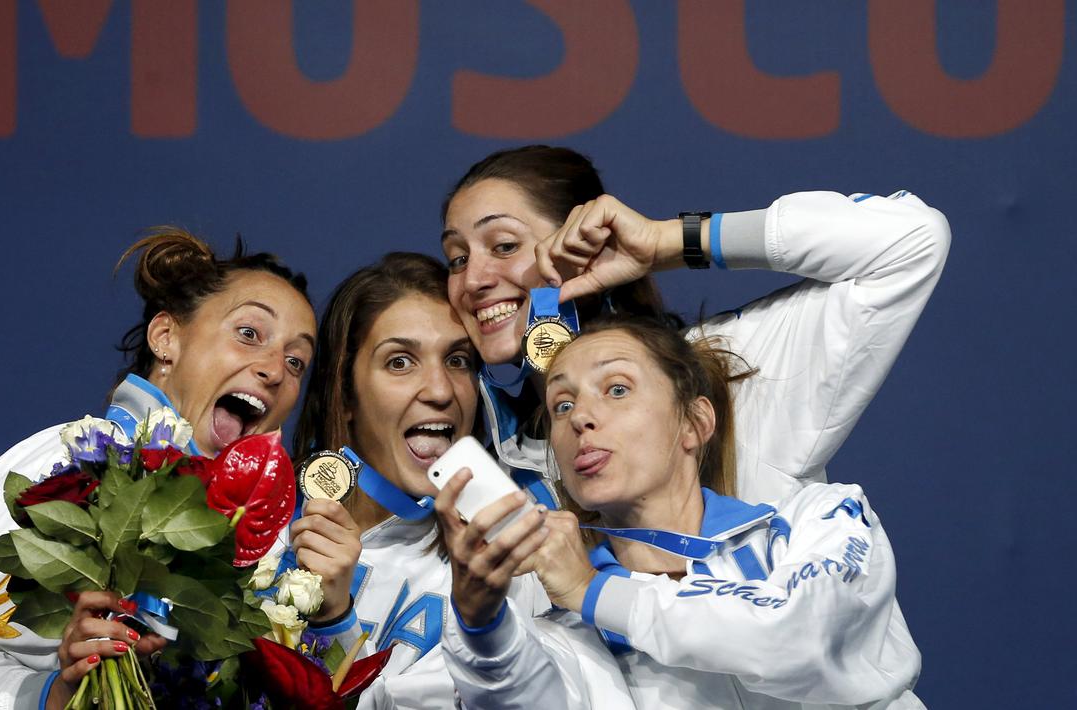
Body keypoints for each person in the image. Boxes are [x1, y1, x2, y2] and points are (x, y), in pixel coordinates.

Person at [0, 228, 317, 710]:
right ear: (166, 337)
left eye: (297, 361)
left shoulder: (274, 541)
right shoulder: (64, 466)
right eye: (249, 334)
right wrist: (58, 693)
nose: (275, 369)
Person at [437, 315, 923, 708]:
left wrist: (593, 590)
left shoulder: (822, 518)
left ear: (694, 423)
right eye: (562, 405)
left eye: (617, 389)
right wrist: (480, 623)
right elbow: (522, 696)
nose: (581, 417)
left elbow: (801, 637)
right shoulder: (570, 629)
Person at [440, 145, 950, 505]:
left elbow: (911, 242)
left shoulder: (727, 373)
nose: (475, 279)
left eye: (504, 245)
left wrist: (665, 243)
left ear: (586, 243)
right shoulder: (486, 466)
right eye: (457, 258)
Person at [280, 252, 548, 709]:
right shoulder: (254, 523)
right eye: (401, 362)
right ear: (345, 395)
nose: (441, 390)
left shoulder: (501, 575)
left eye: (458, 360)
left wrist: (334, 623)